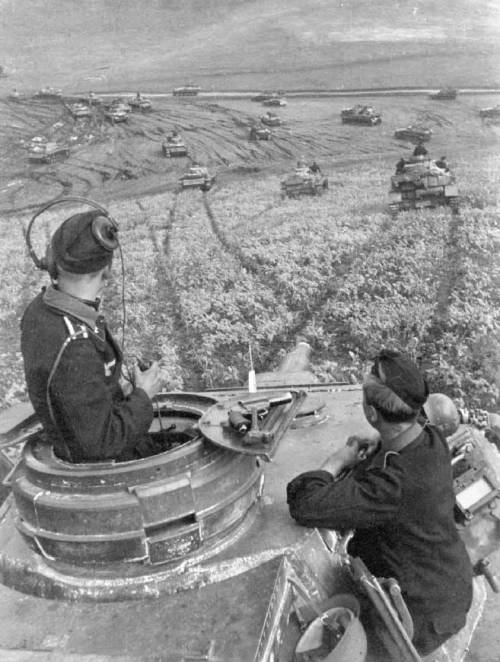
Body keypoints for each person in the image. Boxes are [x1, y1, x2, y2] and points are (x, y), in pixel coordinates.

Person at [287, 349, 473, 656]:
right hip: (451, 583)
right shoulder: (430, 438)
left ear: (372, 414)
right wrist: (382, 441)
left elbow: (305, 503)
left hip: (425, 616)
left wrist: (337, 460)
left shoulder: (391, 485)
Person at [21, 210, 165, 463]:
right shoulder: (74, 344)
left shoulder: (40, 309)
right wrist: (143, 395)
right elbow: (100, 443)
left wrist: (118, 387)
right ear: (106, 273)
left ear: (53, 262)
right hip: (101, 470)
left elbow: (74, 395)